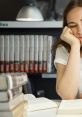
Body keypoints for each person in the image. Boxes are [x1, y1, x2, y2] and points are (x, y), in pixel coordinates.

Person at [54, 0, 82, 99]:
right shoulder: (63, 50)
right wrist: (75, 45)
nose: (80, 31)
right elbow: (67, 95)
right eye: (73, 26)